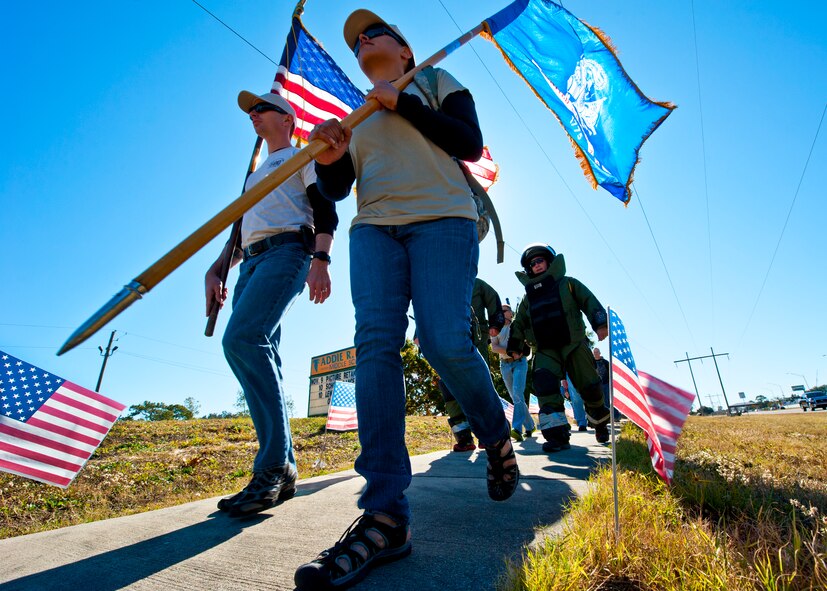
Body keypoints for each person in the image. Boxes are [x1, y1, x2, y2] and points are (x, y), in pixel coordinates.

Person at [294, 10, 518, 590]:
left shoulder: (437, 83)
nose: (363, 41)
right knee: (374, 347)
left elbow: (467, 142)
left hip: (444, 219)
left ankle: (495, 432)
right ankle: (386, 513)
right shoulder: (354, 113)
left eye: (374, 33)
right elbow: (337, 191)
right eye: (356, 41)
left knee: (443, 339)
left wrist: (405, 102)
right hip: (374, 230)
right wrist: (328, 157)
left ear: (405, 49)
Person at [205, 91, 337, 518]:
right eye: (250, 112)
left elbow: (324, 208)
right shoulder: (253, 176)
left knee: (243, 339)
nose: (254, 116)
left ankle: (273, 467)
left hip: (289, 252)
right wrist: (217, 268)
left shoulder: (303, 156)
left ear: (288, 119)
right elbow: (239, 233)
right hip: (250, 263)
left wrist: (321, 259)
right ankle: (284, 471)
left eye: (261, 109)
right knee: (263, 354)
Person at [507, 244, 611, 453]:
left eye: (540, 260)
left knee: (590, 386)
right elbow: (519, 323)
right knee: (544, 386)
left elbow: (588, 300)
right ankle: (557, 436)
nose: (536, 265)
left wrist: (600, 323)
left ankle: (599, 422)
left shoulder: (569, 284)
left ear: (549, 262)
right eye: (532, 263)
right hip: (546, 349)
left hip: (574, 344)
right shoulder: (529, 298)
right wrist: (516, 346)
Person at [443, 277, 505, 451]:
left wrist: (495, 323)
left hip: (476, 337)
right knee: (448, 385)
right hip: (447, 339)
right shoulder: (440, 282)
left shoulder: (475, 282)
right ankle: (463, 437)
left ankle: (488, 435)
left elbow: (493, 297)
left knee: (478, 382)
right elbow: (429, 307)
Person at [491, 303, 535, 440]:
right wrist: (511, 351)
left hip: (520, 363)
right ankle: (530, 426)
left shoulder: (518, 325)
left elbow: (527, 341)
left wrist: (520, 351)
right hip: (504, 365)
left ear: (511, 313)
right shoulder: (496, 327)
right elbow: (494, 347)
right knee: (517, 397)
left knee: (517, 393)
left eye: (505, 310)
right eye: (501, 311)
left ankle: (516, 428)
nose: (502, 313)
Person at [593, 347, 617, 418]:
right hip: (596, 385)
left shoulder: (605, 362)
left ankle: (614, 416)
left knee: (607, 400)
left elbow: (611, 372)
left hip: (606, 384)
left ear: (600, 353)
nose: (596, 353)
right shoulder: (591, 363)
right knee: (598, 402)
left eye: (597, 352)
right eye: (594, 352)